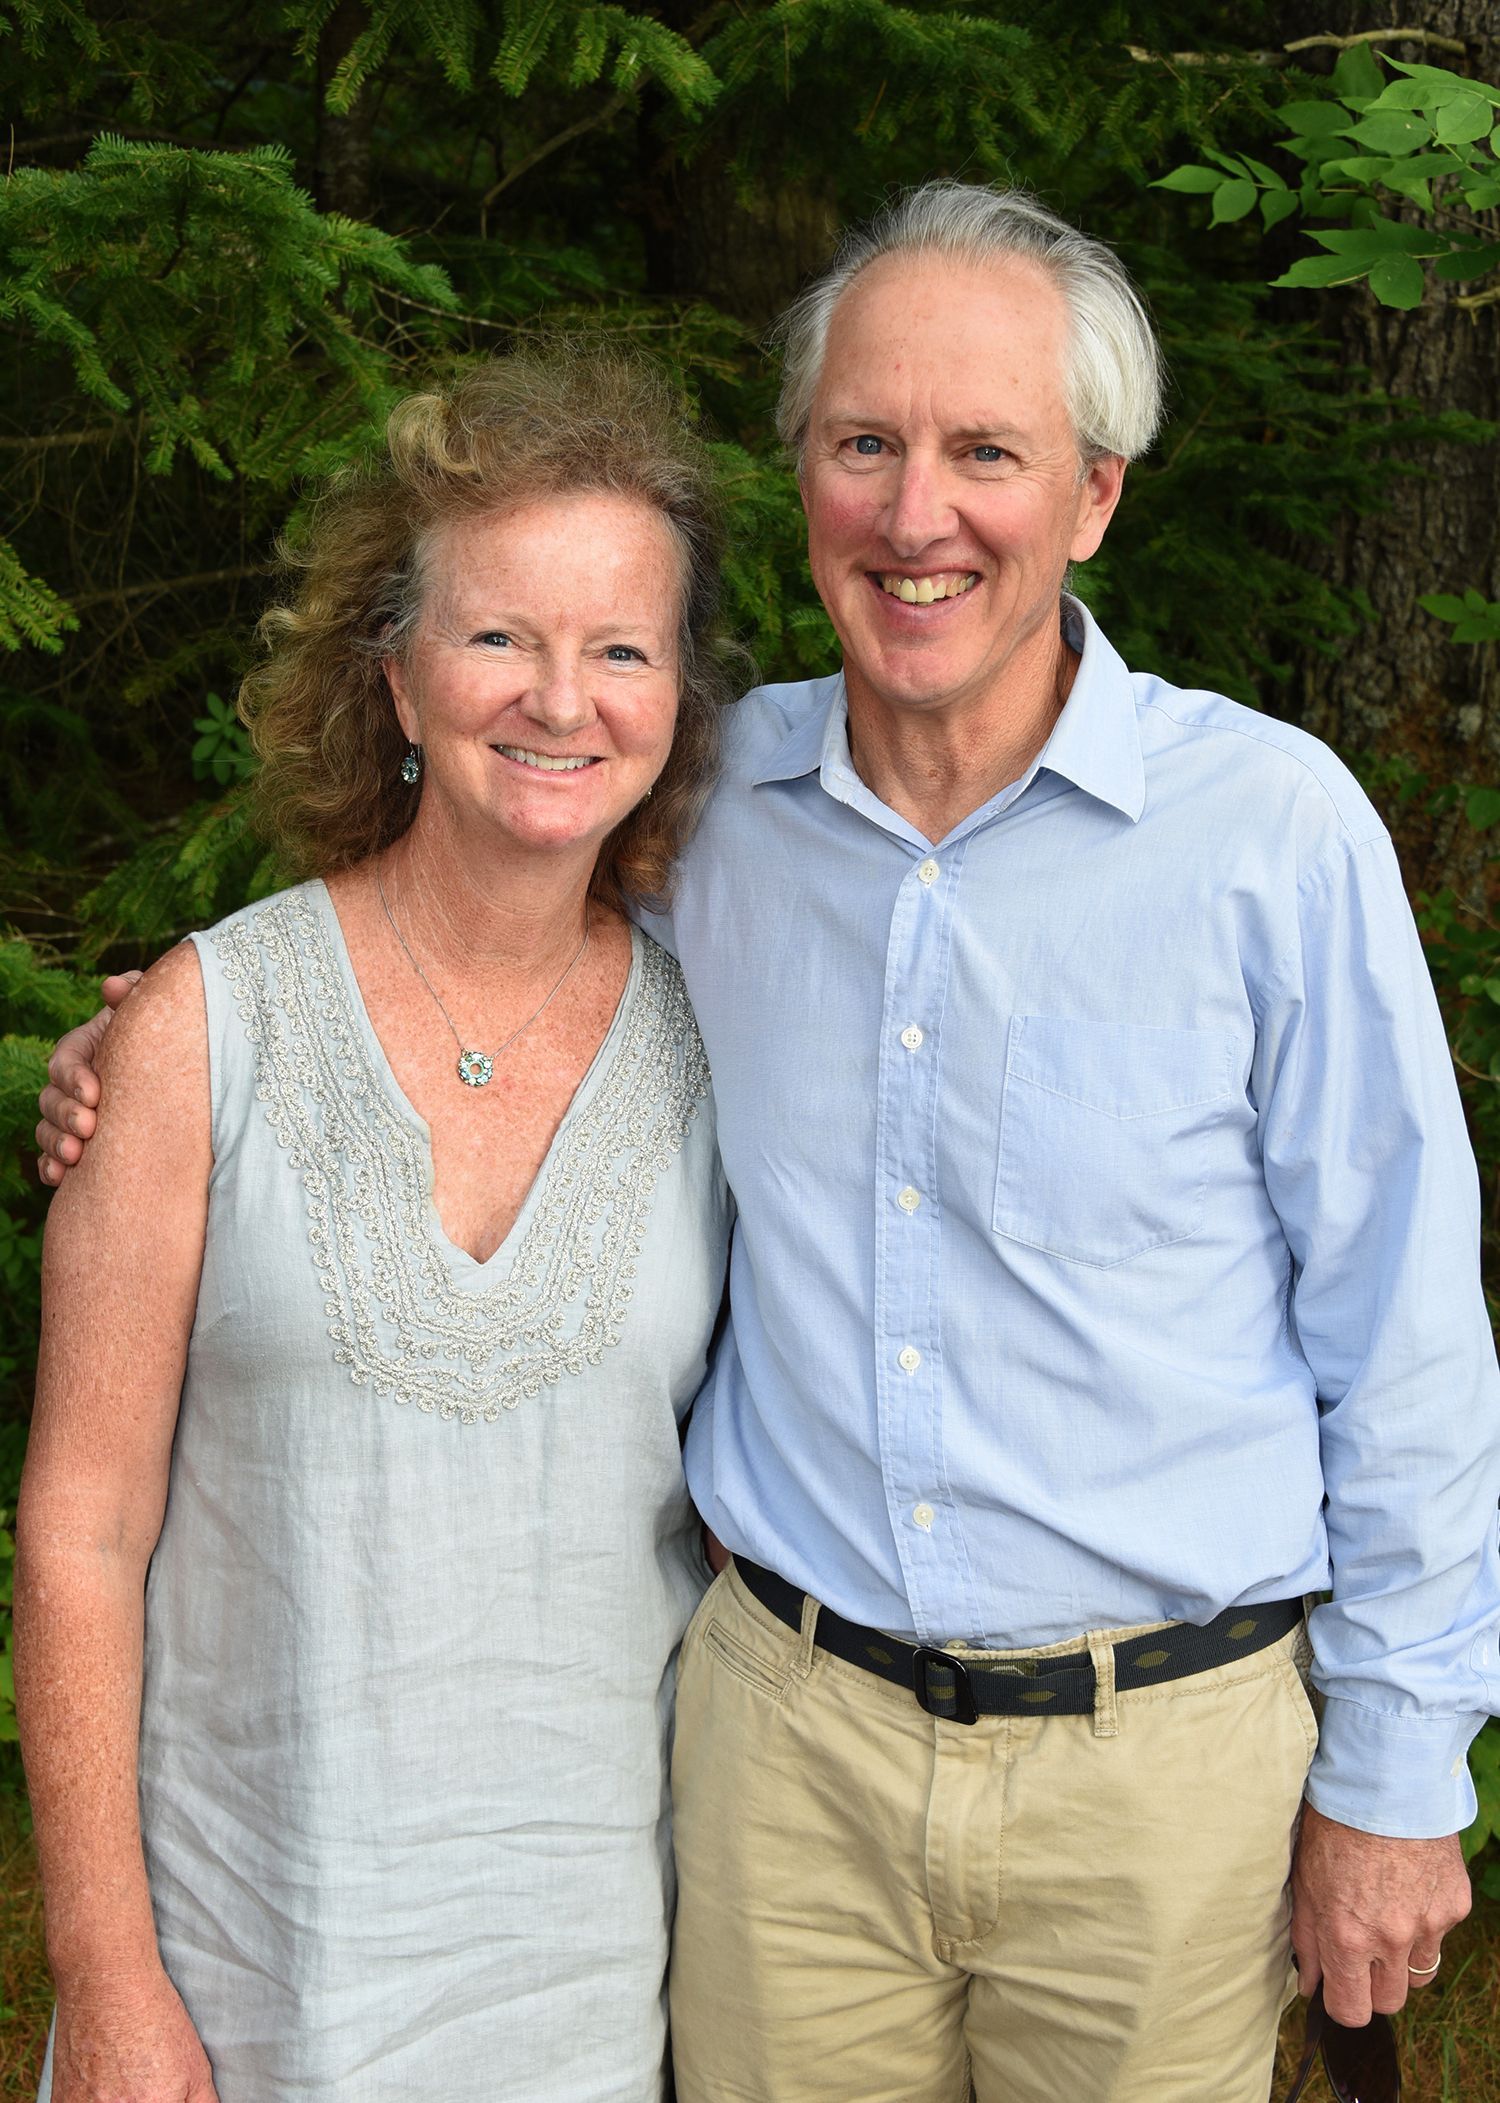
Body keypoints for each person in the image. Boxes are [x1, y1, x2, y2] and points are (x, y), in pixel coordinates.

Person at [36, 183, 1500, 2103]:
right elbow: (455, 926)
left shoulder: (1269, 834)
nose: (918, 514)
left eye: (988, 451)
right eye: (864, 445)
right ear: (804, 476)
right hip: (781, 1763)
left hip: (1156, 1762)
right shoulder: (713, 823)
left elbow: (1403, 1332)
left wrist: (1395, 1774)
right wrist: (150, 1056)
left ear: (1096, 495)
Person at [15, 348, 734, 2103]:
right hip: (256, 1965)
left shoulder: (729, 1038)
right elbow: (80, 1530)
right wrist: (106, 1981)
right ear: (397, 679)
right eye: (500, 638)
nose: (561, 700)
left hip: (594, 1976)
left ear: (675, 705)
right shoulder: (203, 1026)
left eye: (621, 649)